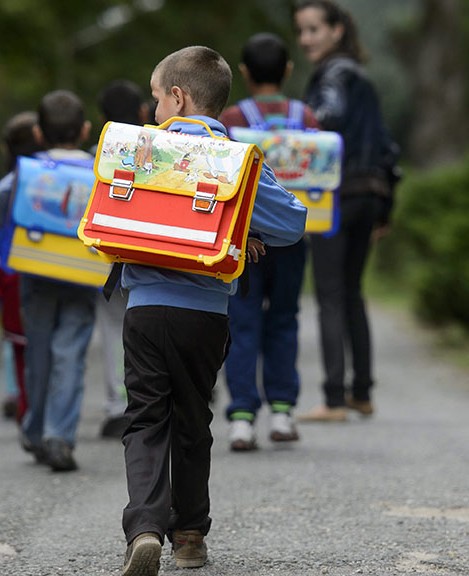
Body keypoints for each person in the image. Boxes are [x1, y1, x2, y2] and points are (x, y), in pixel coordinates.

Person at [119, 46, 307, 576]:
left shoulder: (143, 149)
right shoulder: (239, 160)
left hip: (145, 309)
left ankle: (145, 527)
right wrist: (242, 222)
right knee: (192, 420)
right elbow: (292, 224)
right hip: (206, 313)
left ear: (176, 97)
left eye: (157, 99)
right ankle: (189, 536)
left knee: (144, 419)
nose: (154, 111)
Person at [294, 0, 401, 422]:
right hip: (371, 192)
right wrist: (386, 209)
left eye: (313, 30)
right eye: (301, 31)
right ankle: (362, 393)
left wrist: (297, 127)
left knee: (330, 295)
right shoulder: (365, 79)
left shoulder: (333, 75)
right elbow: (390, 151)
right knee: (353, 292)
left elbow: (327, 118)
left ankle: (334, 399)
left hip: (336, 196)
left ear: (337, 31)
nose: (305, 40)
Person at [218, 32, 320, 452]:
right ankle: (282, 411)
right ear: (289, 70)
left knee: (241, 322)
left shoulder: (233, 120)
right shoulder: (307, 117)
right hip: (293, 240)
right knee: (284, 318)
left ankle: (242, 417)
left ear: (243, 72)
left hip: (245, 240)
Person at [9, 90, 98, 472]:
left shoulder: (27, 169)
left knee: (39, 354)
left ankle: (33, 431)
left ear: (38, 133)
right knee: (70, 354)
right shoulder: (99, 169)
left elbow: (2, 205)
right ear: (85, 130)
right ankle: (59, 435)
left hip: (36, 268)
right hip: (83, 274)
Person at [93, 80, 151, 439]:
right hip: (153, 258)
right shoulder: (162, 151)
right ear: (145, 112)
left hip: (109, 262)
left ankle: (119, 407)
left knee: (113, 330)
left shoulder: (97, 153)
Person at [0, 111, 45, 422]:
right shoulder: (59, 179)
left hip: (15, 280)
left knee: (21, 350)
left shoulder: (3, 188)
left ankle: (26, 410)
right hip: (57, 274)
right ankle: (50, 416)